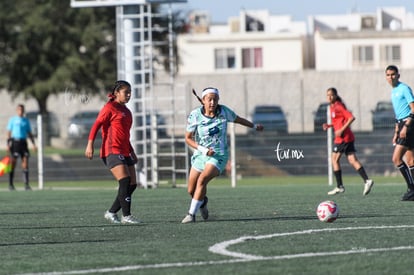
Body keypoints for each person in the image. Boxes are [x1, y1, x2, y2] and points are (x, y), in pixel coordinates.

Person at [181, 87, 264, 224]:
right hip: (200, 155)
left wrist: (254, 126)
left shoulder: (224, 111)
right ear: (203, 101)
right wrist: (203, 149)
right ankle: (202, 202)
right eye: (209, 99)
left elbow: (239, 119)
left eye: (215, 99)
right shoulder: (195, 115)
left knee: (202, 180)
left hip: (218, 155)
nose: (213, 102)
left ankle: (191, 215)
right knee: (191, 190)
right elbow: (188, 138)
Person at [85, 80, 141, 224]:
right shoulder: (110, 107)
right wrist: (90, 144)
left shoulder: (127, 112)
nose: (129, 95)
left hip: (124, 150)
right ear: (116, 93)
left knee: (132, 184)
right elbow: (96, 125)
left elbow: (124, 135)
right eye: (125, 92)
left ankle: (111, 212)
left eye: (130, 92)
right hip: (111, 150)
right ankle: (126, 216)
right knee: (125, 180)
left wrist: (132, 151)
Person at [322, 87, 374, 196]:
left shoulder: (338, 106)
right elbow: (339, 121)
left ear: (336, 95)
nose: (329, 97)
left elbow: (351, 118)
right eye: (328, 95)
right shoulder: (332, 107)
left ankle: (340, 186)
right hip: (347, 137)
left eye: (331, 95)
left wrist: (341, 130)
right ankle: (367, 180)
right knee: (352, 159)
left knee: (334, 159)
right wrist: (330, 125)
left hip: (343, 138)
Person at [385, 65, 414, 201]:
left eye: (393, 74)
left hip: (409, 124)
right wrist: (397, 130)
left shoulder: (404, 89)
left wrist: (405, 126)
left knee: (396, 159)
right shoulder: (393, 91)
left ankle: (411, 189)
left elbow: (413, 109)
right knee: (411, 160)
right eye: (388, 75)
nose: (391, 77)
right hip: (402, 125)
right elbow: (399, 113)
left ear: (398, 75)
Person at [6, 104, 37, 191]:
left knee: (25, 162)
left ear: (24, 111)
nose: (21, 111)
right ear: (17, 110)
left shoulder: (26, 121)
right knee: (13, 163)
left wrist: (34, 144)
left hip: (23, 143)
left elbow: (29, 133)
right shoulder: (13, 120)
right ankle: (11, 184)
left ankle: (26, 184)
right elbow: (9, 132)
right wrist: (8, 144)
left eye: (22, 110)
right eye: (19, 110)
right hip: (15, 142)